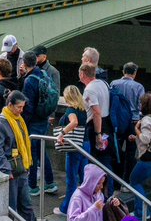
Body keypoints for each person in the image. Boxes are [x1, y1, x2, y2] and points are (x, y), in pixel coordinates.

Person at [0, 90, 35, 221]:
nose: (21, 110)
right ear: (10, 105)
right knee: (11, 207)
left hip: (21, 167)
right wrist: (6, 170)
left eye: (23, 107)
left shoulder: (18, 119)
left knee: (26, 205)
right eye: (19, 107)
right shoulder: (1, 123)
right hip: (11, 170)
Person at [20, 51, 58, 197]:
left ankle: (32, 186)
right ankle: (50, 183)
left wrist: (23, 123)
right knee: (43, 152)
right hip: (44, 118)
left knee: (32, 154)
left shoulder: (29, 81)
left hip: (34, 121)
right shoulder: (43, 73)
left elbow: (28, 106)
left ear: (24, 63)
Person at [56, 85, 90, 216]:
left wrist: (62, 133)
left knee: (72, 179)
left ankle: (66, 208)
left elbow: (74, 122)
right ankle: (83, 205)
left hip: (75, 146)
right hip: (85, 143)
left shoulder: (71, 110)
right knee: (83, 178)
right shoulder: (83, 109)